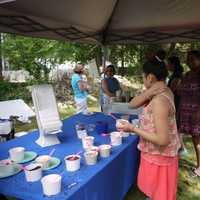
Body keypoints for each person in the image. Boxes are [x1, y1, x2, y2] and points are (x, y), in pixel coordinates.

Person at [116, 59, 181, 200]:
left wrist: (133, 128)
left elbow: (163, 140)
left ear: (150, 77)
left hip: (160, 157)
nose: (143, 80)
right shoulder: (160, 92)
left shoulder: (159, 101)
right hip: (155, 154)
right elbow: (132, 105)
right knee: (154, 193)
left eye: (143, 77)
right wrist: (149, 91)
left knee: (159, 194)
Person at [178, 50, 200, 177]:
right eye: (188, 59)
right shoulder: (187, 74)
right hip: (188, 113)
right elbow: (180, 91)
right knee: (194, 139)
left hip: (197, 113)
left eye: (192, 59)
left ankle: (199, 169)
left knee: (198, 141)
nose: (189, 61)